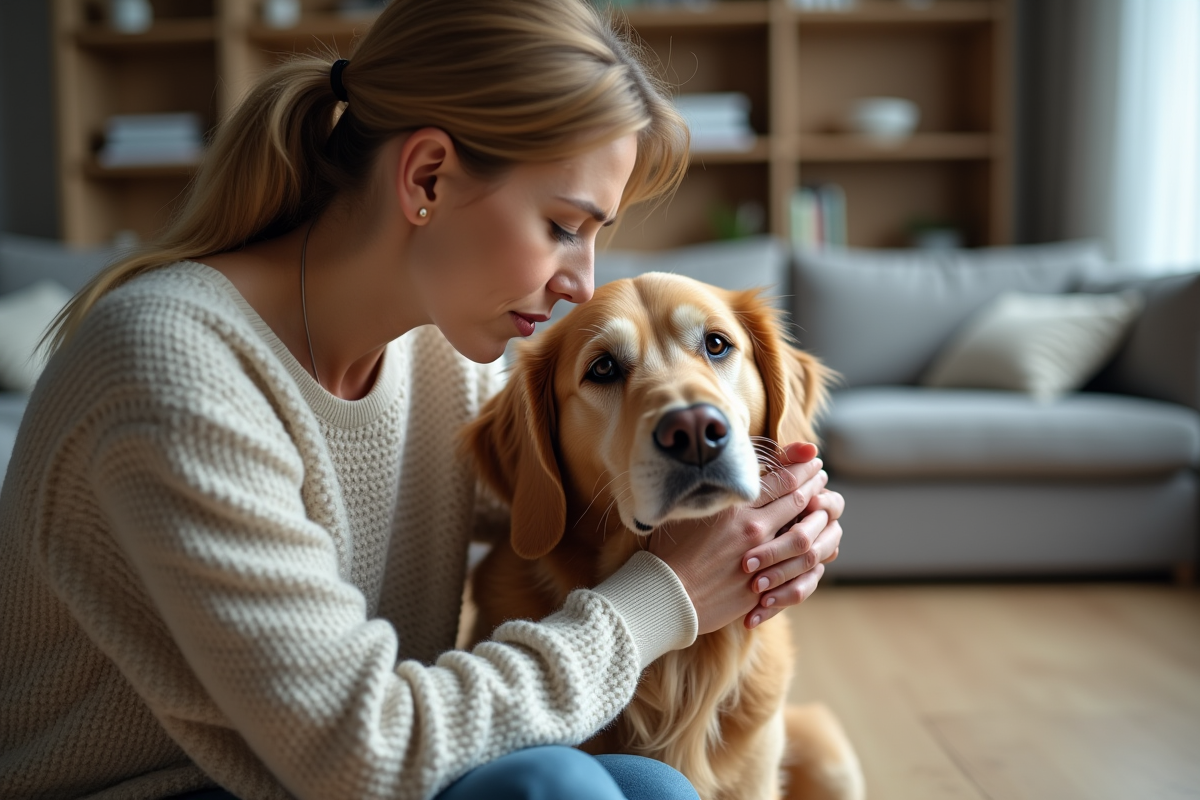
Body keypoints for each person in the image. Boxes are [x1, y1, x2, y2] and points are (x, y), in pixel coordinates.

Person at [0, 1, 845, 798]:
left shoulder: (436, 355)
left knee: (654, 787)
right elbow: (366, 753)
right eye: (562, 225)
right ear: (428, 177)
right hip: (177, 788)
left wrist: (774, 529)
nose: (579, 283)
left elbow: (570, 503)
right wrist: (668, 595)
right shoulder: (173, 367)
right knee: (553, 787)